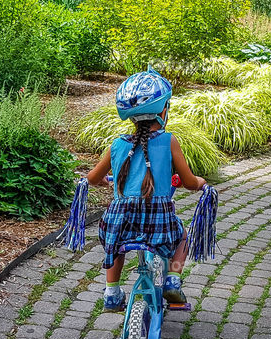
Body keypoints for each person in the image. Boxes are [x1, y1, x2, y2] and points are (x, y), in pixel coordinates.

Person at [87, 69, 207, 309]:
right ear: (163, 110)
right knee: (182, 236)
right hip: (158, 221)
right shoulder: (168, 141)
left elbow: (92, 178)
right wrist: (200, 183)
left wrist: (102, 181)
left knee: (115, 244)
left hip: (120, 220)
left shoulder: (117, 144)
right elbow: (189, 181)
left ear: (131, 117)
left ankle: (111, 292)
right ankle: (173, 281)